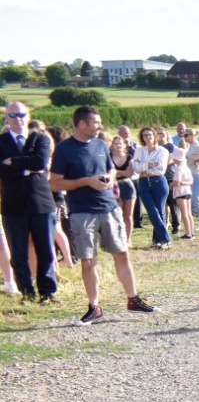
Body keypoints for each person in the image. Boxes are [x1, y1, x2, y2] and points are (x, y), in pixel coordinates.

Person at [49, 106, 159, 324]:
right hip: (82, 212)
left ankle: (133, 299)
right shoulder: (63, 149)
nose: (100, 126)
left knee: (122, 253)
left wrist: (110, 177)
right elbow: (55, 183)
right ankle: (94, 307)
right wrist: (87, 182)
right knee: (88, 261)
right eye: (96, 122)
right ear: (82, 124)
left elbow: (110, 169)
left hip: (109, 208)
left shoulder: (100, 144)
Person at [1, 102, 58, 302]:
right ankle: (27, 292)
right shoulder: (1, 141)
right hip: (13, 204)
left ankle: (48, 291)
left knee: (46, 250)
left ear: (28, 116)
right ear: (7, 118)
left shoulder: (40, 138)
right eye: (13, 115)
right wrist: (27, 165)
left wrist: (13, 162)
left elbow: (40, 162)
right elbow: (2, 171)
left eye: (22, 115)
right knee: (18, 253)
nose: (18, 119)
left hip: (41, 202)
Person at [130, 127, 172, 248]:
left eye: (150, 135)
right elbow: (135, 167)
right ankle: (166, 239)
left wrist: (143, 168)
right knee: (152, 211)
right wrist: (149, 165)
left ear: (154, 136)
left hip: (159, 183)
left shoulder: (163, 151)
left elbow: (160, 170)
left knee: (159, 211)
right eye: (145, 135)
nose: (148, 137)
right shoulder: (139, 150)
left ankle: (158, 241)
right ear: (141, 137)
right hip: (144, 183)